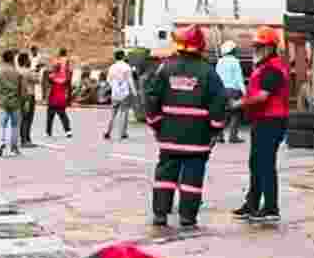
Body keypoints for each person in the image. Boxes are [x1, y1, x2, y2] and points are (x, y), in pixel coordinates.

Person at [144, 25, 227, 228]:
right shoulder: (208, 72)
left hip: (169, 136)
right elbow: (219, 103)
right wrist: (215, 129)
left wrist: (156, 125)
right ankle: (187, 217)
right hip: (197, 139)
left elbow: (151, 98)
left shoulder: (165, 68)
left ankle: (160, 215)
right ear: (200, 47)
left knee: (165, 176)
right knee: (192, 177)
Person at [232, 26, 289, 223]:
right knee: (256, 163)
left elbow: (263, 96)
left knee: (264, 164)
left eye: (260, 46)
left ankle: (271, 207)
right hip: (262, 120)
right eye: (256, 46)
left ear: (271, 48)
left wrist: (240, 103)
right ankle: (252, 203)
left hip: (271, 121)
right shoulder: (264, 67)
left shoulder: (273, 69)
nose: (256, 50)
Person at [0, 49, 23, 157]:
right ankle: (14, 147)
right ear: (12, 59)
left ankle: (1, 142)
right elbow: (21, 90)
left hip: (2, 102)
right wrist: (23, 102)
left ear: (3, 59)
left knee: (2, 125)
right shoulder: (17, 73)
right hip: (15, 102)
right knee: (15, 125)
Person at [215, 41, 246, 143]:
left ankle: (219, 136)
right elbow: (239, 79)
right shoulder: (235, 61)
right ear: (232, 50)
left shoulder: (219, 61)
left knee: (222, 114)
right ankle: (233, 136)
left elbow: (216, 78)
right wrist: (245, 92)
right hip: (233, 91)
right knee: (235, 114)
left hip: (221, 90)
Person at [104, 50, 138, 141]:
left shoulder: (112, 67)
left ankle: (108, 132)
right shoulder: (127, 67)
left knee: (113, 114)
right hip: (125, 93)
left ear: (115, 57)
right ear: (123, 57)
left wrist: (114, 87)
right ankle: (122, 133)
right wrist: (134, 92)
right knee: (124, 113)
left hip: (115, 93)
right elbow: (130, 81)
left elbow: (108, 80)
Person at [45, 49, 73, 138]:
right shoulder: (64, 78)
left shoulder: (52, 77)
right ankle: (68, 130)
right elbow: (68, 79)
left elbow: (48, 79)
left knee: (50, 115)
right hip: (61, 98)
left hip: (53, 98)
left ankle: (48, 131)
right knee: (63, 114)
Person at [16, 52, 38, 148]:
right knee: (27, 118)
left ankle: (24, 138)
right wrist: (36, 70)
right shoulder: (28, 71)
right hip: (29, 96)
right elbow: (37, 80)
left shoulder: (17, 71)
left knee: (22, 118)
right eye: (28, 59)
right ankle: (25, 140)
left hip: (19, 96)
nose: (29, 60)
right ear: (25, 61)